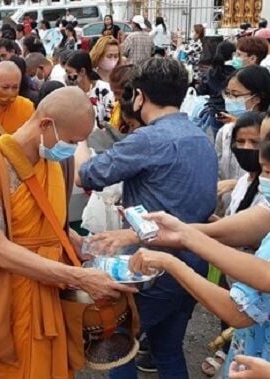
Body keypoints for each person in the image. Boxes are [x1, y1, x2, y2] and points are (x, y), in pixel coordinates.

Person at [0, 86, 136, 378]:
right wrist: (79, 277)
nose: (72, 148)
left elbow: (56, 226)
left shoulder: (57, 162)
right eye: (71, 140)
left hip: (51, 295)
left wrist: (92, 248)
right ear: (45, 125)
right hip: (6, 302)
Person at [129, 109, 270, 379]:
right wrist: (185, 235)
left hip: (268, 365)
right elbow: (267, 272)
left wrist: (170, 261)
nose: (264, 179)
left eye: (268, 171)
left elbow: (239, 310)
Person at [76, 58, 218, 378]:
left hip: (149, 268)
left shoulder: (148, 139)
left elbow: (86, 176)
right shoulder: (201, 138)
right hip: (194, 264)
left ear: (139, 97)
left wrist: (80, 138)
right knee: (168, 351)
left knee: (119, 348)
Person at [214, 66, 270, 198]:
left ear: (257, 98)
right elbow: (218, 172)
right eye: (227, 93)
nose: (230, 99)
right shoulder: (225, 132)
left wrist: (237, 184)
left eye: (235, 95)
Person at [197, 41, 237, 135]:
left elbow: (202, 90)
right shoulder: (237, 72)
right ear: (232, 54)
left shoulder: (211, 71)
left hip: (216, 111)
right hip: (234, 111)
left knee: (218, 142)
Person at [65, 51, 114, 128]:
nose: (66, 76)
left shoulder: (105, 90)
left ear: (82, 71)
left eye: (69, 72)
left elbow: (111, 120)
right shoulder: (72, 93)